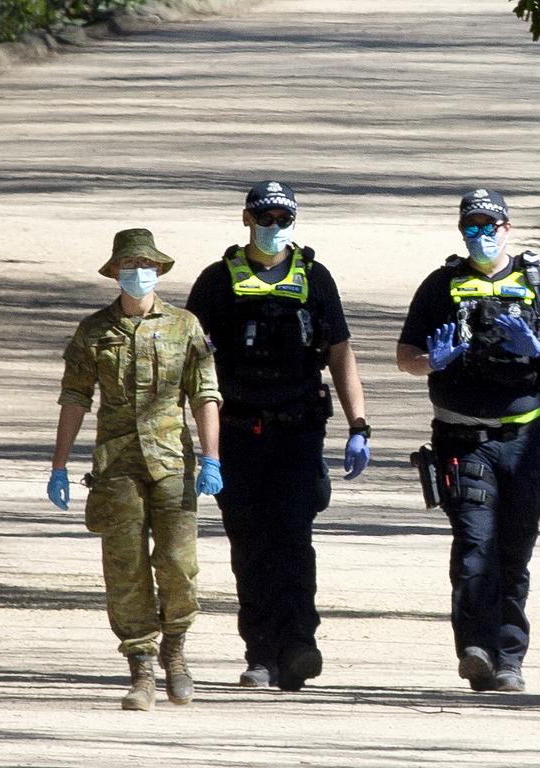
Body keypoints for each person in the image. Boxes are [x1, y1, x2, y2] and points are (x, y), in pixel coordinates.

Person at [397, 188, 540, 693]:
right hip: (463, 442)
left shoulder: (536, 279)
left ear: (508, 228)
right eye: (472, 227)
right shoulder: (442, 284)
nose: (481, 235)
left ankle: (510, 659)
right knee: (474, 547)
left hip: (526, 440)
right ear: (461, 232)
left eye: (490, 226)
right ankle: (477, 649)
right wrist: (432, 362)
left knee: (514, 551)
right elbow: (405, 355)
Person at [185, 180, 371, 692]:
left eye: (282, 219)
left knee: (294, 540)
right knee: (250, 545)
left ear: (294, 221)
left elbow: (340, 355)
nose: (273, 227)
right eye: (263, 217)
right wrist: (207, 451)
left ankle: (299, 645)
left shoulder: (315, 278)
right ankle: (261, 653)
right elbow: (191, 363)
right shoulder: (217, 281)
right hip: (239, 432)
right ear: (246, 218)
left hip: (297, 434)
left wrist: (359, 425)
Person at [45, 228, 223, 712]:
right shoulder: (94, 332)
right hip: (117, 468)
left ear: (159, 271)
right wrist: (59, 465)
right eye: (128, 267)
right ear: (115, 273)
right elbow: (74, 398)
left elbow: (205, 394)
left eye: (145, 266)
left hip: (171, 464)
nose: (137, 274)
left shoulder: (185, 326)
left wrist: (212, 457)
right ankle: (141, 664)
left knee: (179, 565)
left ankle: (177, 651)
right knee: (124, 568)